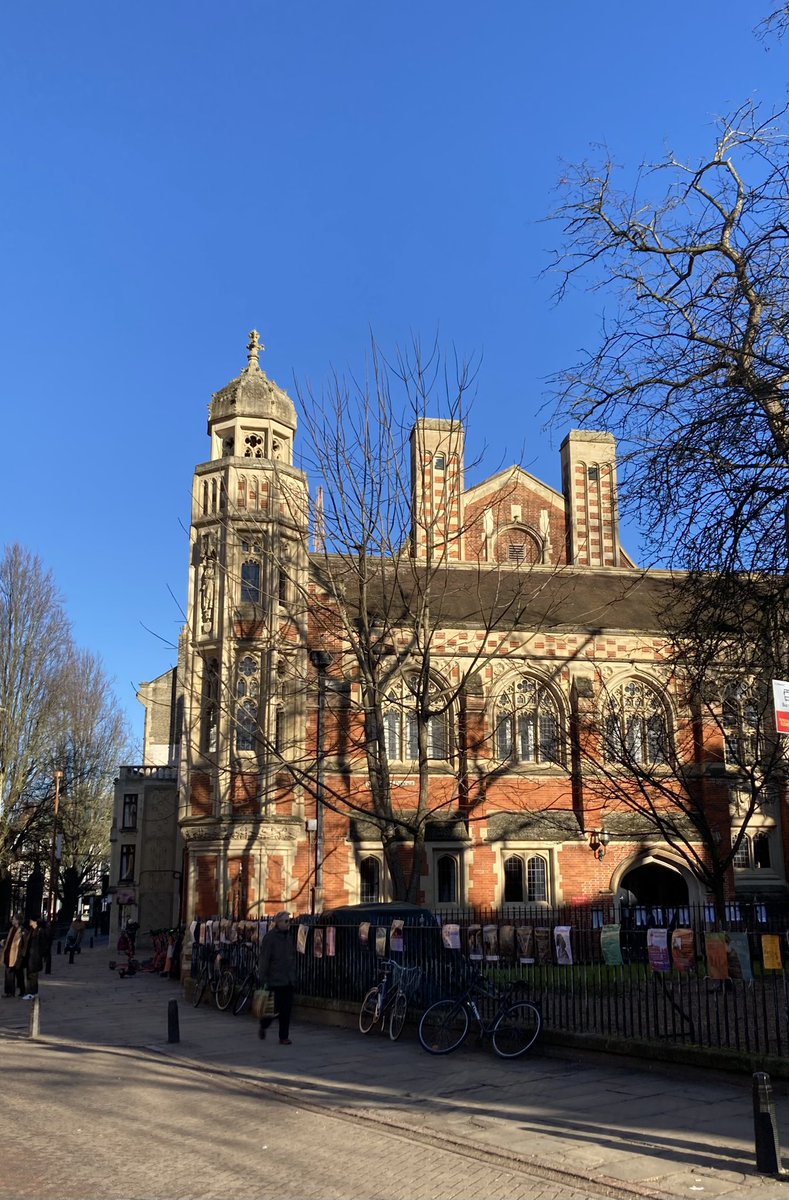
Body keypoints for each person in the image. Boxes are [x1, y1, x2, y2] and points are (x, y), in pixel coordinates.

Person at [258, 911, 297, 1045]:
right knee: (272, 1011)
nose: (288, 924)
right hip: (274, 980)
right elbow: (264, 959)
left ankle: (283, 1037)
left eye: (289, 921)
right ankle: (264, 1025)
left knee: (286, 1010)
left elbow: (292, 957)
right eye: (286, 921)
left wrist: (293, 975)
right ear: (278, 923)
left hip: (288, 980)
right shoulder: (270, 938)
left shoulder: (289, 937)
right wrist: (262, 977)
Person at [2, 914, 30, 997]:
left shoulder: (23, 931)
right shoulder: (12, 929)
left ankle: (22, 991)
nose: (12, 920)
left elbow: (25, 945)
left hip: (17, 956)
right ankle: (9, 992)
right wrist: (4, 942)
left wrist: (22, 956)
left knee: (19, 974)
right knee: (8, 975)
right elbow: (10, 941)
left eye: (13, 919)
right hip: (9, 955)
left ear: (18, 921)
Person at [22, 917, 45, 998]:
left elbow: (42, 945)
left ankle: (33, 992)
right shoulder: (31, 931)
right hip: (30, 955)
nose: (30, 922)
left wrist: (41, 955)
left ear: (35, 922)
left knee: (33, 975)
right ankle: (29, 992)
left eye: (31, 920)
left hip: (35, 956)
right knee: (29, 974)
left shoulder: (40, 931)